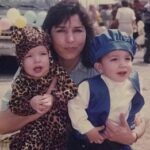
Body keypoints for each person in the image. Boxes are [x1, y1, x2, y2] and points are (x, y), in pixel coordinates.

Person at [0, 1, 145, 150]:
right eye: (61, 30)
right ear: (48, 34)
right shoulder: (34, 68)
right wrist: (40, 107)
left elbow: (138, 119)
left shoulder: (101, 67)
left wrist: (132, 136)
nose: (70, 39)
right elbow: (2, 124)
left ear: (87, 32)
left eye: (77, 30)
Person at [68, 29, 145, 150]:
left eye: (127, 58)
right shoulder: (89, 86)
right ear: (99, 67)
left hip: (121, 140)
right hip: (94, 139)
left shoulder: (134, 81)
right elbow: (75, 106)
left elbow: (134, 106)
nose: (122, 64)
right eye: (114, 59)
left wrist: (133, 125)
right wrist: (88, 129)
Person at [8, 25, 77, 149]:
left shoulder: (56, 71)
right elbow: (14, 104)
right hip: (34, 134)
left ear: (49, 55)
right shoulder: (21, 80)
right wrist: (30, 103)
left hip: (60, 133)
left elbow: (71, 90)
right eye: (29, 56)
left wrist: (54, 98)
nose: (37, 60)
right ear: (21, 61)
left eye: (43, 53)